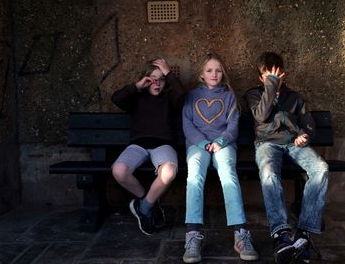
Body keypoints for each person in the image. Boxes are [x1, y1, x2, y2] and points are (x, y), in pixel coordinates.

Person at [243, 52, 329, 264]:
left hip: (294, 144)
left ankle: (303, 235)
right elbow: (261, 116)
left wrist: (305, 136)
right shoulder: (253, 95)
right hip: (267, 144)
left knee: (321, 169)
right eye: (267, 76)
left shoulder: (295, 97)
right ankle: (280, 234)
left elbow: (308, 123)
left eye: (277, 75)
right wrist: (271, 86)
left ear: (285, 75)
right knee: (269, 173)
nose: (273, 79)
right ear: (260, 78)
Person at [181, 53, 259, 263]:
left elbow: (233, 125)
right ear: (201, 74)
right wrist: (202, 143)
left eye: (218, 70)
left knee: (227, 173)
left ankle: (240, 232)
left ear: (222, 73)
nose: (214, 74)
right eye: (209, 70)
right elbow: (187, 124)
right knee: (194, 174)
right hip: (198, 145)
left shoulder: (229, 96)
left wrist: (221, 142)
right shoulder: (191, 96)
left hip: (223, 145)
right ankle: (193, 234)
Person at [111, 58, 185, 235]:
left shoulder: (169, 98)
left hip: (163, 145)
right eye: (152, 78)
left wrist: (169, 73)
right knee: (119, 171)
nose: (157, 83)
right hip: (138, 146)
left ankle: (143, 207)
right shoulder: (136, 97)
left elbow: (182, 95)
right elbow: (116, 98)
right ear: (145, 79)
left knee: (169, 172)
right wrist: (137, 86)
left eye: (161, 79)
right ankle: (150, 201)